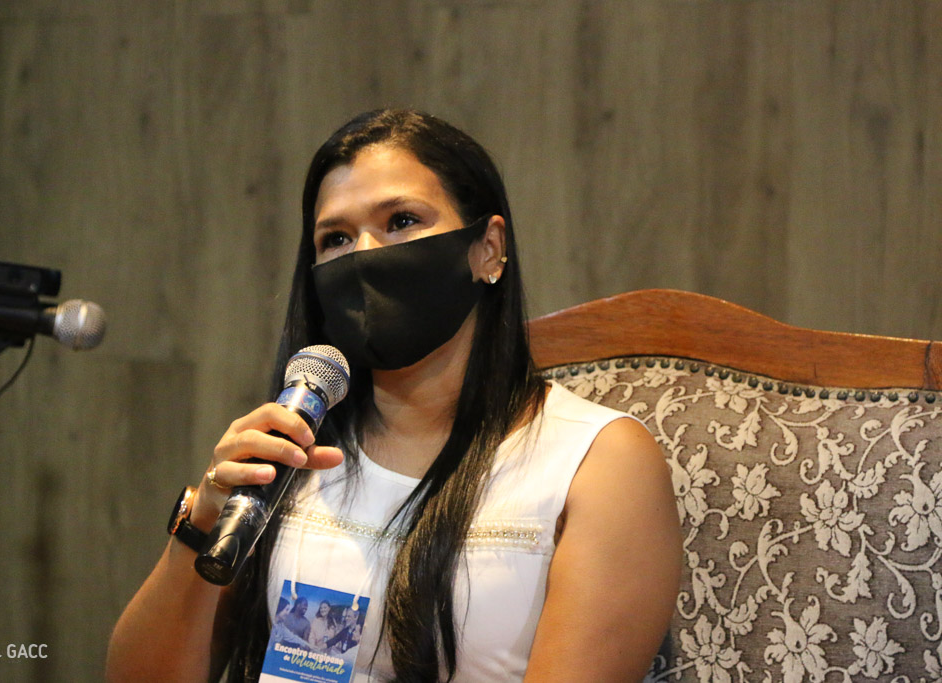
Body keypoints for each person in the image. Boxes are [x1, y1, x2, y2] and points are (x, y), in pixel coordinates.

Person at [106, 109, 681, 682]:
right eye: (335, 238)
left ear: (488, 248)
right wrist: (203, 520)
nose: (365, 255)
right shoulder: (293, 446)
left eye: (401, 221)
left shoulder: (599, 461)